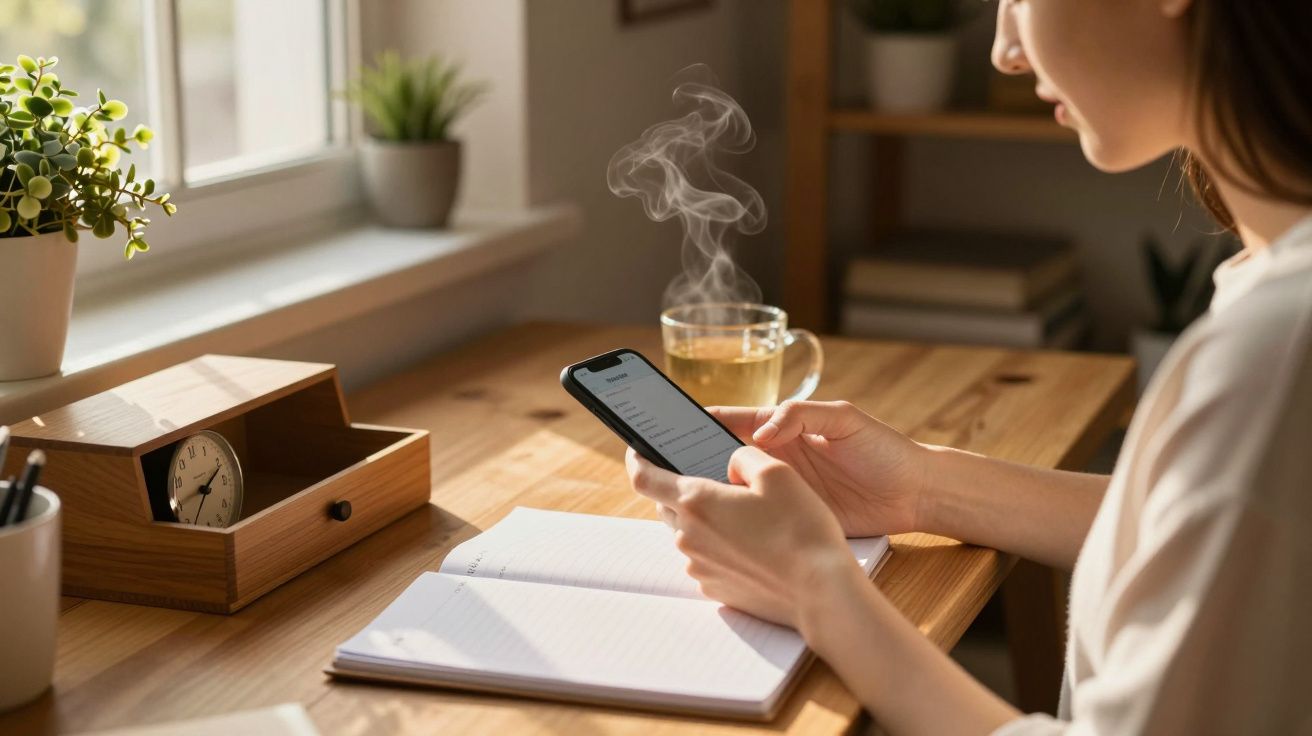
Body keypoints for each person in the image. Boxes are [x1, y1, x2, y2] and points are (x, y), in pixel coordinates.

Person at [624, 0, 1312, 733]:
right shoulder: (1276, 300)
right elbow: (1224, 537)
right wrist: (927, 488)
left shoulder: (1278, 350)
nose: (1005, 52)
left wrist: (816, 588)